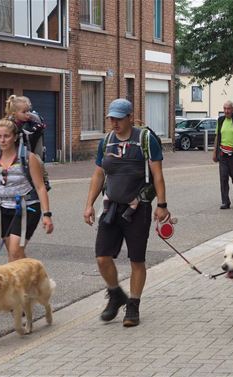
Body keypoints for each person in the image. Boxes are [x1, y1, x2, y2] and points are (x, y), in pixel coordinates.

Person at [83, 98, 170, 327]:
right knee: (102, 257)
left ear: (130, 117)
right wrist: (89, 203)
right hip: (111, 207)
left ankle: (133, 304)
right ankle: (115, 293)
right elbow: (99, 174)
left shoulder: (145, 139)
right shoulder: (107, 141)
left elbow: (158, 175)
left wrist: (162, 205)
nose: (114, 123)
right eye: (111, 118)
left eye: (119, 119)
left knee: (136, 259)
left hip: (137, 208)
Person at [0, 119, 54, 262]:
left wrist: (47, 214)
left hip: (27, 207)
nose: (3, 140)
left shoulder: (28, 158)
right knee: (14, 255)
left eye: (7, 136)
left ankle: (33, 278)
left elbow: (40, 187)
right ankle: (30, 280)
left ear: (15, 137)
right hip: (2, 209)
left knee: (15, 251)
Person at [5, 95, 50, 189]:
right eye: (24, 112)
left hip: (27, 152)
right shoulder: (9, 125)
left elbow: (33, 142)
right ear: (14, 113)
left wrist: (37, 128)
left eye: (29, 111)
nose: (28, 114)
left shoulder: (31, 123)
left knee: (38, 161)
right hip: (14, 154)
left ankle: (44, 181)